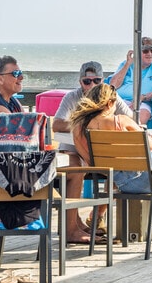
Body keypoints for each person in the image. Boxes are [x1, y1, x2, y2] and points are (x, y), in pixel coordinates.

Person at [70, 83, 152, 252]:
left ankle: (98, 215)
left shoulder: (78, 129)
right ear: (109, 103)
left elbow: (94, 163)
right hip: (150, 174)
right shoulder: (120, 121)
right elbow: (151, 145)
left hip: (121, 183)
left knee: (120, 167)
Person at [52, 61, 132, 244]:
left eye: (96, 81)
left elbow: (131, 119)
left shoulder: (111, 98)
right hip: (76, 150)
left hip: (103, 152)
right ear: (80, 82)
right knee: (75, 169)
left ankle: (97, 215)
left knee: (118, 166)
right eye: (87, 81)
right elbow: (56, 124)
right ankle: (72, 226)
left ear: (102, 81)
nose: (92, 85)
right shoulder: (73, 97)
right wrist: (85, 125)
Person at [0, 55, 41, 229]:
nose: (21, 77)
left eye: (21, 73)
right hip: (5, 174)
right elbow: (22, 137)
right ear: (0, 79)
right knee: (63, 177)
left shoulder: (12, 102)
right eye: (16, 73)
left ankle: (73, 227)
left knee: (70, 175)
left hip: (14, 168)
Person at [105, 36, 152, 125]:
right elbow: (113, 85)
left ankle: (131, 136)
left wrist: (142, 97)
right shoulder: (126, 64)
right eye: (145, 51)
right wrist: (128, 64)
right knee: (104, 112)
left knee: (142, 114)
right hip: (120, 101)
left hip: (143, 103)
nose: (150, 54)